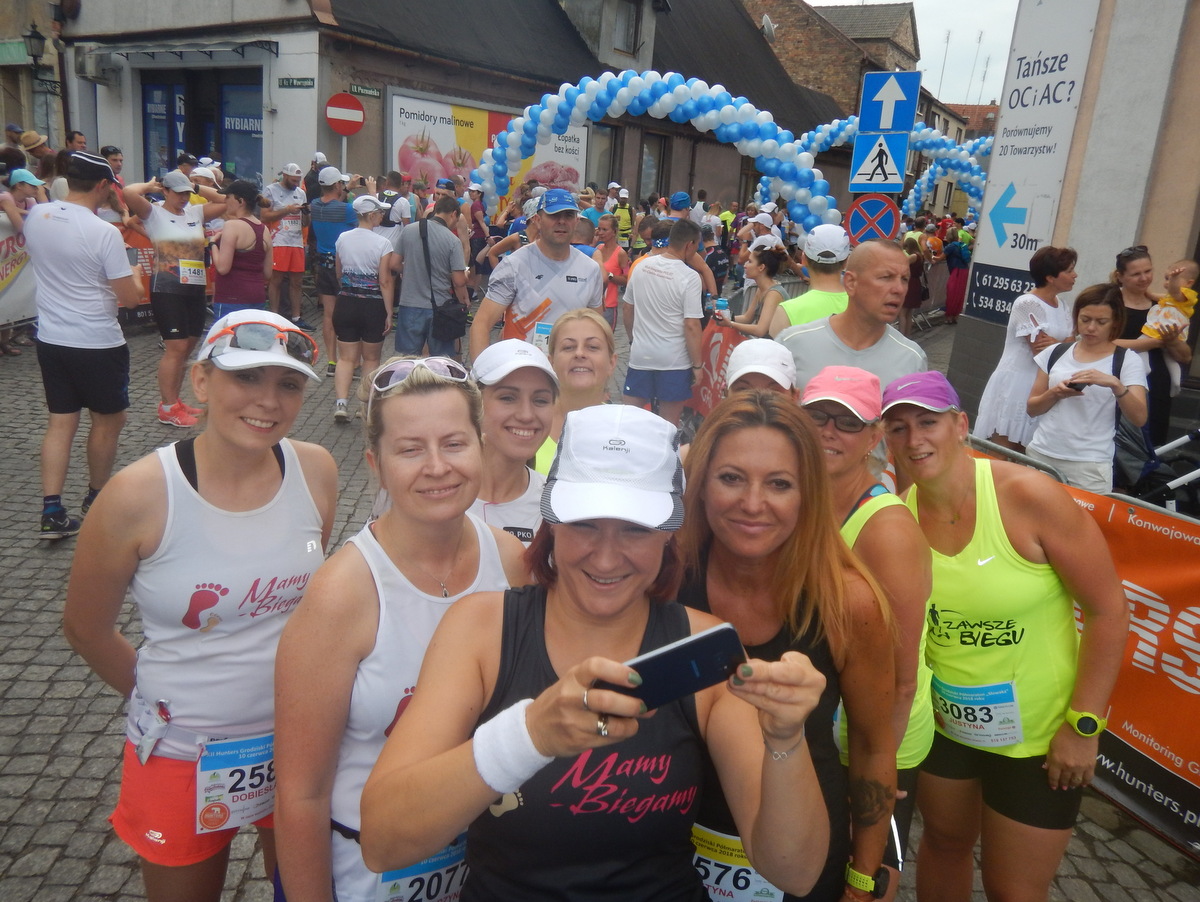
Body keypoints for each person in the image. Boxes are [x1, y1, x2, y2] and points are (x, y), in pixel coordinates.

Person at [358, 403, 831, 900]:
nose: (606, 557)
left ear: (669, 534)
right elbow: (384, 841)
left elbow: (794, 871)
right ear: (552, 521)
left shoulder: (700, 648)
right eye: (585, 524)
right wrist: (529, 735)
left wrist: (786, 739)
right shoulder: (482, 630)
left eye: (635, 529)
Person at [61, 309, 338, 902]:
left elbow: (308, 599)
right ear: (202, 381)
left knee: (300, 890)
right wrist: (170, 706)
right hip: (183, 751)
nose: (269, 401)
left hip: (298, 740)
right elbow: (86, 629)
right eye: (247, 377)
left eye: (288, 384)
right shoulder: (136, 495)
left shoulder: (316, 470)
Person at [274, 355, 527, 902]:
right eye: (410, 449)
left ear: (482, 448)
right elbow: (300, 793)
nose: (437, 467)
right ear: (377, 464)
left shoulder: (510, 562)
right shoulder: (343, 594)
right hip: (366, 869)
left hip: (486, 858)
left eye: (454, 443)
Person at [881, 371, 1130, 902]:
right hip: (947, 726)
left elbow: (1108, 610)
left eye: (927, 422)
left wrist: (1084, 726)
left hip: (1040, 737)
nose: (914, 439)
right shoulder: (898, 517)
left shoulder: (1029, 495)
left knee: (1014, 889)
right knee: (944, 845)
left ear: (960, 425)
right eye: (898, 428)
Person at [676, 390, 897, 902]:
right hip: (673, 845)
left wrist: (865, 877)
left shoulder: (849, 603)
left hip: (806, 852)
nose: (753, 503)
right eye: (731, 478)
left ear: (807, 495)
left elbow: (872, 745)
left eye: (779, 483)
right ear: (701, 484)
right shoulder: (668, 580)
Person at [800, 367, 932, 901]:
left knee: (867, 869)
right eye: (818, 416)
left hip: (876, 735)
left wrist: (876, 767)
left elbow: (901, 679)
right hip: (824, 723)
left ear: (875, 435)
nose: (829, 431)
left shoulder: (886, 530)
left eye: (848, 422)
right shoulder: (801, 499)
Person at [22, 152, 143, 538]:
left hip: (51, 337)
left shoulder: (37, 216)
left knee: (61, 422)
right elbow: (130, 299)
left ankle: (52, 510)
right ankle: (97, 496)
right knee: (109, 420)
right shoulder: (103, 232)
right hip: (97, 342)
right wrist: (136, 273)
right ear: (103, 185)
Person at [124, 168, 227, 427]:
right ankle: (168, 407)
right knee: (176, 348)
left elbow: (226, 200)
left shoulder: (195, 212)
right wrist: (151, 186)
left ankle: (176, 401)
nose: (183, 198)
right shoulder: (153, 212)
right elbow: (128, 193)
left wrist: (197, 186)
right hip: (167, 288)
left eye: (186, 193)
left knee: (188, 346)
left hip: (195, 288)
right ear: (166, 191)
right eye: (178, 193)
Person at [1026, 284, 1148, 493]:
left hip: (1089, 464)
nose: (1091, 328)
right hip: (1042, 453)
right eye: (1085, 319)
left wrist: (1115, 384)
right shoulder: (1054, 352)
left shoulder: (1127, 360)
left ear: (1115, 322)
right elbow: (1032, 408)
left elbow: (1139, 418)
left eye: (1101, 322)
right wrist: (1055, 393)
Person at [776, 240, 927, 393]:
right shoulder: (791, 344)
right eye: (886, 277)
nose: (899, 289)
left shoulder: (912, 359)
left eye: (904, 279)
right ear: (850, 282)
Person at [469, 188, 603, 361]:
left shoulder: (590, 269)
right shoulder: (514, 265)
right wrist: (482, 372)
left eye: (568, 215)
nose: (562, 221)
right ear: (538, 220)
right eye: (554, 215)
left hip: (568, 371)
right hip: (523, 370)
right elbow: (481, 324)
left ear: (576, 222)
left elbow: (597, 328)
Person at [972, 246, 1079, 453]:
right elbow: (1041, 351)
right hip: (1016, 384)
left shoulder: (1062, 305)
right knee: (1002, 451)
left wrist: (1057, 344)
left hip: (1041, 385)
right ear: (1050, 277)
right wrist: (1063, 344)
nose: (1075, 275)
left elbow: (1069, 343)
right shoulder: (1027, 303)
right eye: (1069, 271)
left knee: (1026, 453)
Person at [469, 340, 559, 544]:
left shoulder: (559, 507)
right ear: (474, 403)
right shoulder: (437, 494)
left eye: (540, 400)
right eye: (508, 398)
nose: (526, 415)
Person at [622, 217, 704, 426]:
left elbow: (628, 308)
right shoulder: (690, 277)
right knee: (668, 423)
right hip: (674, 361)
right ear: (689, 245)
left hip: (641, 355)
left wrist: (633, 340)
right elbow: (692, 325)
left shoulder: (641, 266)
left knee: (629, 419)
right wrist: (697, 365)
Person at [1111, 245, 1192, 444]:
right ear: (1120, 276)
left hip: (1156, 384)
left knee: (1152, 442)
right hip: (1119, 381)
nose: (1144, 278)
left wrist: (1172, 341)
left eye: (1148, 271)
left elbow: (1185, 356)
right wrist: (1153, 343)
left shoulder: (1163, 306)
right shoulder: (1110, 303)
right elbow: (1103, 344)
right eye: (1136, 274)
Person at [329, 195, 396, 422]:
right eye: (380, 213)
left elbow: (339, 272)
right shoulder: (383, 243)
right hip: (372, 305)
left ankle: (341, 404)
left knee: (346, 358)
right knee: (371, 359)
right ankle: (364, 406)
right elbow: (384, 281)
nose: (382, 216)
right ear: (371, 215)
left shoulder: (343, 238)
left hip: (346, 301)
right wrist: (389, 312)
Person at [535, 307, 618, 473]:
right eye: (568, 347)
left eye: (592, 347)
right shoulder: (528, 422)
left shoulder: (626, 431)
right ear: (551, 362)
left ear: (611, 363)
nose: (579, 353)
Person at [395, 195, 470, 359]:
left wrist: (411, 269)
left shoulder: (409, 230)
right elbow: (458, 281)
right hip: (440, 308)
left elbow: (394, 264)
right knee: (440, 361)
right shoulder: (452, 240)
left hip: (409, 304)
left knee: (408, 359)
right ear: (453, 214)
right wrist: (465, 275)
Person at [309, 167, 361, 376]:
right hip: (343, 265)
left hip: (323, 264)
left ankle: (331, 361)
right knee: (350, 315)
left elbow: (331, 201)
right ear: (338, 184)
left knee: (329, 315)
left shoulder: (315, 206)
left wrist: (346, 189)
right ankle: (352, 362)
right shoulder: (347, 210)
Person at [262, 162, 315, 331]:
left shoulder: (301, 193)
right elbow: (264, 216)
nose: (296, 184)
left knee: (297, 281)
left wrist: (306, 213)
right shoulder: (271, 190)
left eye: (298, 180)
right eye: (293, 180)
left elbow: (305, 223)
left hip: (296, 242)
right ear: (284, 176)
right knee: (276, 280)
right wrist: (287, 210)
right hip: (278, 240)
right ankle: (274, 316)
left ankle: (296, 317)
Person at [211, 179, 272, 322]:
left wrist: (213, 244)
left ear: (240, 201)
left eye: (228, 197)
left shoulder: (232, 225)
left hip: (231, 297)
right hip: (257, 297)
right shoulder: (264, 229)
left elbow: (223, 268)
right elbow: (268, 273)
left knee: (227, 336)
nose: (225, 200)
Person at [716, 242, 788, 338]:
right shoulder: (761, 289)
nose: (745, 265)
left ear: (761, 267)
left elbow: (760, 330)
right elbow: (747, 318)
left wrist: (730, 323)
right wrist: (725, 317)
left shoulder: (773, 293)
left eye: (750, 262)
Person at [1142, 258, 1198, 341]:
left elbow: (1174, 291)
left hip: (1171, 332)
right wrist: (1144, 286)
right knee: (1140, 343)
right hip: (1158, 330)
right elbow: (1153, 296)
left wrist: (1173, 280)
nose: (1169, 282)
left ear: (1189, 283)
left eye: (1174, 279)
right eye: (1167, 278)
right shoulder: (1170, 298)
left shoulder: (1187, 296)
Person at [592, 212, 629, 334]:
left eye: (605, 229)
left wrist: (609, 276)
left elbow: (626, 279)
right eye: (599, 229)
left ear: (614, 232)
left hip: (609, 305)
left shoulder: (620, 253)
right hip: (594, 302)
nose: (600, 233)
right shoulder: (597, 249)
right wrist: (593, 242)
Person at [898, 237, 925, 338]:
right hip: (916, 283)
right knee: (909, 314)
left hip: (910, 283)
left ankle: (901, 335)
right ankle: (907, 335)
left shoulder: (914, 256)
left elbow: (902, 263)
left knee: (902, 313)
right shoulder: (920, 255)